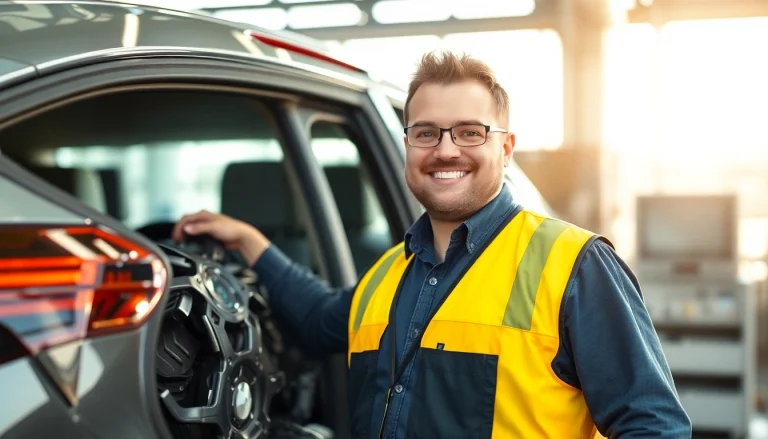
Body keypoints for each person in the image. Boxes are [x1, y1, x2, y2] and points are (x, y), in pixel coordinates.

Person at [172, 50, 692, 438]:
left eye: (469, 132)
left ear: (505, 148)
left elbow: (654, 428)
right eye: (425, 133)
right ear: (406, 146)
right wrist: (250, 241)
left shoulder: (574, 264)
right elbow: (316, 321)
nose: (445, 150)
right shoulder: (390, 273)